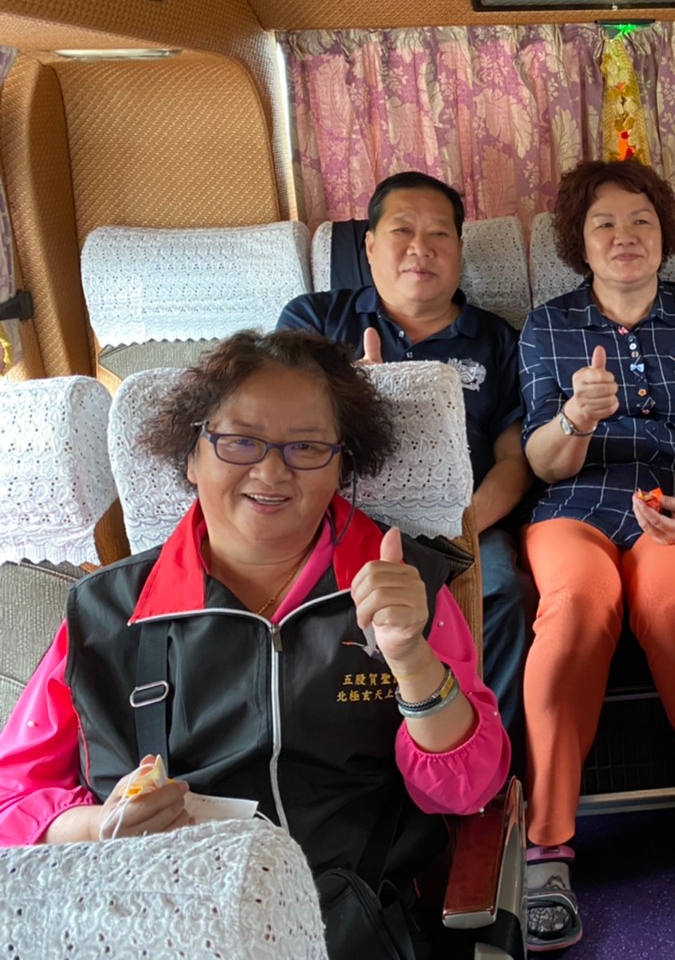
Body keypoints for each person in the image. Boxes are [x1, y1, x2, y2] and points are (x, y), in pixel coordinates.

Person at [0, 329, 510, 956]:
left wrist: (411, 658)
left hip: (354, 926)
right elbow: (13, 799)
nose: (271, 471)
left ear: (342, 464)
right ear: (192, 456)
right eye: (240, 440)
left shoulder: (405, 585)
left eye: (307, 446)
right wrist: (97, 827)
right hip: (165, 927)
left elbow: (468, 791)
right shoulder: (106, 615)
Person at [517, 158, 675, 952]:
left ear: (665, 234)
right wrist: (575, 420)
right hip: (575, 509)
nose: (625, 237)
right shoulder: (548, 326)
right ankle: (547, 841)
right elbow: (541, 463)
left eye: (641, 221)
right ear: (579, 242)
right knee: (572, 614)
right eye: (605, 224)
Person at [279, 171, 535, 768]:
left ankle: (490, 771)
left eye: (439, 233)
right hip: (334, 525)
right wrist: (353, 403)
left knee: (499, 588)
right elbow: (281, 436)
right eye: (402, 231)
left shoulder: (496, 339)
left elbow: (513, 461)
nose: (421, 247)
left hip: (464, 528)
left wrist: (459, 528)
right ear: (370, 245)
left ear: (459, 249)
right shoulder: (314, 323)